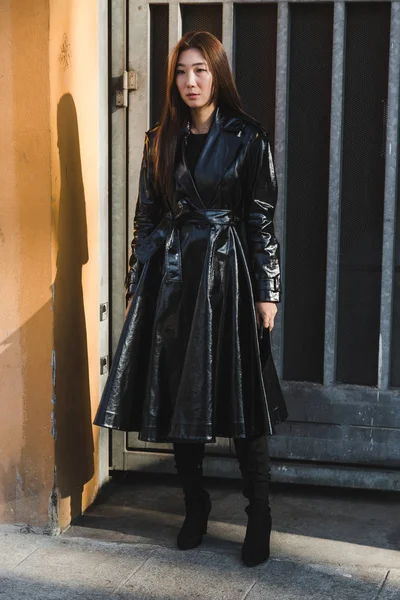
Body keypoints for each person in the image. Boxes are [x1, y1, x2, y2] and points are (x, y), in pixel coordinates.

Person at [94, 30, 288, 567]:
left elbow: (260, 221)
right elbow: (147, 218)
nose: (191, 81)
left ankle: (260, 514)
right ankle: (195, 507)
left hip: (230, 281)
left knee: (245, 401)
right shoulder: (160, 138)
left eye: (201, 70)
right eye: (182, 71)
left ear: (217, 74)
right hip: (175, 281)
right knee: (183, 397)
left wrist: (268, 292)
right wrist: (137, 284)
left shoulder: (249, 137)